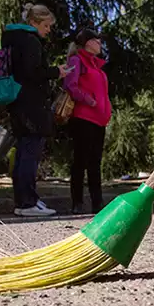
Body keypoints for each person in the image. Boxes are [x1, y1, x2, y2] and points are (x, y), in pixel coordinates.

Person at [3, 4, 70, 217]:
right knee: (30, 152)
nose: (48, 30)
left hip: (19, 102)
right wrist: (55, 72)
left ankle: (26, 199)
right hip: (32, 104)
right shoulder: (30, 41)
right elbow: (33, 72)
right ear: (34, 22)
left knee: (24, 151)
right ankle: (27, 202)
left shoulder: (14, 39)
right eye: (46, 25)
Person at [63, 29, 111, 214]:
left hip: (99, 120)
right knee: (80, 161)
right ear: (87, 42)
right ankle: (77, 202)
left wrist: (107, 108)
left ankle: (97, 202)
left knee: (95, 162)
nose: (100, 42)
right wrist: (88, 100)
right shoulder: (77, 60)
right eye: (96, 40)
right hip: (83, 117)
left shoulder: (97, 66)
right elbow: (70, 85)